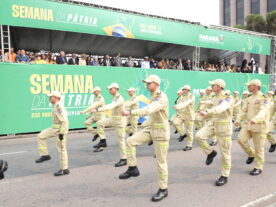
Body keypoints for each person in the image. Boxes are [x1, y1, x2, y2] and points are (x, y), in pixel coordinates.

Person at [119, 75, 170, 202]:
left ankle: (163, 189)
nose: (146, 85)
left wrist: (130, 113)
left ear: (156, 84)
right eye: (146, 83)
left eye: (148, 83)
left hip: (161, 134)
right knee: (130, 141)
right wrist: (145, 124)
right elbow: (154, 115)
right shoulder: (152, 96)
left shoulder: (161, 97)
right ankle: (132, 168)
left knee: (161, 162)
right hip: (151, 129)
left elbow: (148, 110)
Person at [196, 79, 233, 186]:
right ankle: (211, 153)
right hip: (213, 123)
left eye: (213, 85)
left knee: (225, 153)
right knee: (198, 136)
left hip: (224, 127)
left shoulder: (227, 96)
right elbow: (212, 110)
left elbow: (221, 108)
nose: (211, 86)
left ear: (220, 87)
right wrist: (202, 114)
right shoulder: (214, 97)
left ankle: (224, 175)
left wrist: (207, 111)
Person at [235, 79, 270, 176]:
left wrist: (256, 119)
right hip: (249, 125)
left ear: (255, 86)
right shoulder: (249, 98)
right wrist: (238, 120)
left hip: (259, 126)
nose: (248, 87)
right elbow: (243, 110)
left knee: (259, 148)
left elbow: (264, 110)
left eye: (249, 85)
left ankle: (258, 167)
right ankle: (251, 154)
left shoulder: (264, 98)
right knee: (240, 139)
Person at [92, 83, 127, 167]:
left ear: (115, 89)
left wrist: (98, 109)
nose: (109, 90)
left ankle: (124, 159)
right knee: (100, 123)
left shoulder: (119, 98)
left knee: (121, 141)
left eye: (110, 89)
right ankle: (103, 141)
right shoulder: (115, 97)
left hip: (120, 122)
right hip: (114, 119)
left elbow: (111, 106)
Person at [35, 91, 70, 176]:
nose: (49, 98)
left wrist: (62, 133)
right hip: (54, 129)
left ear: (56, 98)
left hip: (60, 131)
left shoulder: (59, 106)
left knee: (61, 149)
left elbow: (65, 121)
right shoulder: (55, 106)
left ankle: (64, 169)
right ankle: (45, 155)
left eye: (51, 97)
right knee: (40, 136)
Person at [172, 85, 195, 151]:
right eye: (182, 89)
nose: (182, 91)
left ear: (187, 90)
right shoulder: (183, 96)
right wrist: (177, 106)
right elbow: (180, 102)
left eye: (184, 89)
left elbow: (186, 103)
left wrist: (179, 106)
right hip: (182, 115)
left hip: (189, 116)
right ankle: (182, 134)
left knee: (189, 131)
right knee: (175, 122)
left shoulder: (191, 96)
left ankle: (189, 145)